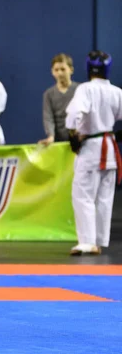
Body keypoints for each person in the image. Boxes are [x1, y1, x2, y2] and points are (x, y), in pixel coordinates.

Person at [65, 50, 122, 256]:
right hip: (110, 145)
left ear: (88, 68)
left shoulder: (85, 89)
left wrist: (72, 132)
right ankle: (99, 240)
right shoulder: (117, 91)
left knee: (83, 195)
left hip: (91, 147)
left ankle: (87, 242)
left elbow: (73, 114)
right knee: (105, 197)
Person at [39, 53, 79, 145]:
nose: (60, 73)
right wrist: (50, 136)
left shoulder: (80, 90)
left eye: (63, 69)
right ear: (52, 72)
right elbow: (48, 117)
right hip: (58, 143)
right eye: (56, 70)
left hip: (79, 141)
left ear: (71, 70)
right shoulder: (48, 94)